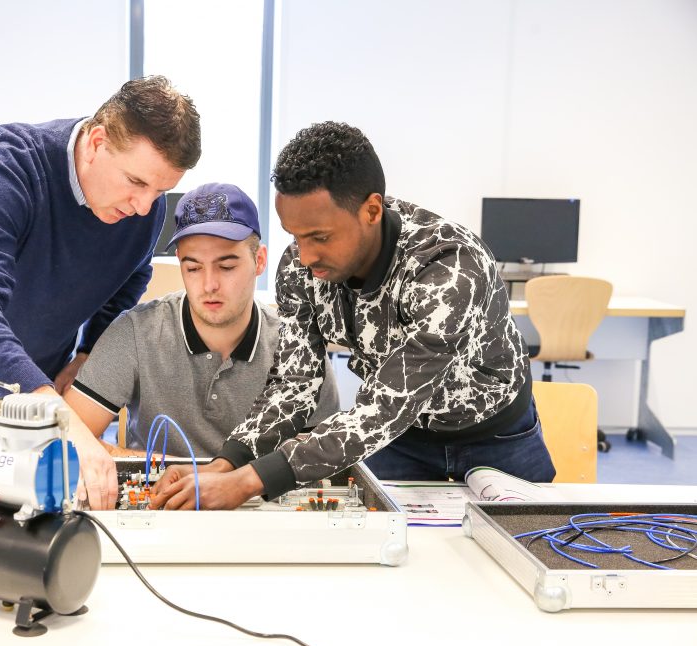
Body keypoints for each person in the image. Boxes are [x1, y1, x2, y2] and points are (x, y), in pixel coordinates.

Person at [151, 121, 555, 510]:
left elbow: (387, 405)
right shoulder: (299, 267)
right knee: (388, 553)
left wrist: (248, 482)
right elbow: (294, 383)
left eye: (320, 237)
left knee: (525, 546)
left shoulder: (449, 266)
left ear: (372, 211)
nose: (305, 257)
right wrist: (227, 464)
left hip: (496, 434)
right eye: (294, 235)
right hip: (401, 439)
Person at [0, 76, 201, 510]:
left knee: (27, 527)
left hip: (37, 387)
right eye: (136, 182)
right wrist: (63, 420)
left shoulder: (143, 211)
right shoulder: (3, 168)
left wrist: (88, 352)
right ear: (95, 142)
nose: (145, 208)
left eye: (160, 190)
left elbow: (130, 275)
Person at [63, 183, 339, 459]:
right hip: (155, 497)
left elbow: (322, 462)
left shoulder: (299, 347)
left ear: (260, 261)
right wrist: (182, 471)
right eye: (193, 267)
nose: (209, 285)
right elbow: (65, 441)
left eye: (226, 266)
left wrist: (219, 480)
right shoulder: (135, 333)